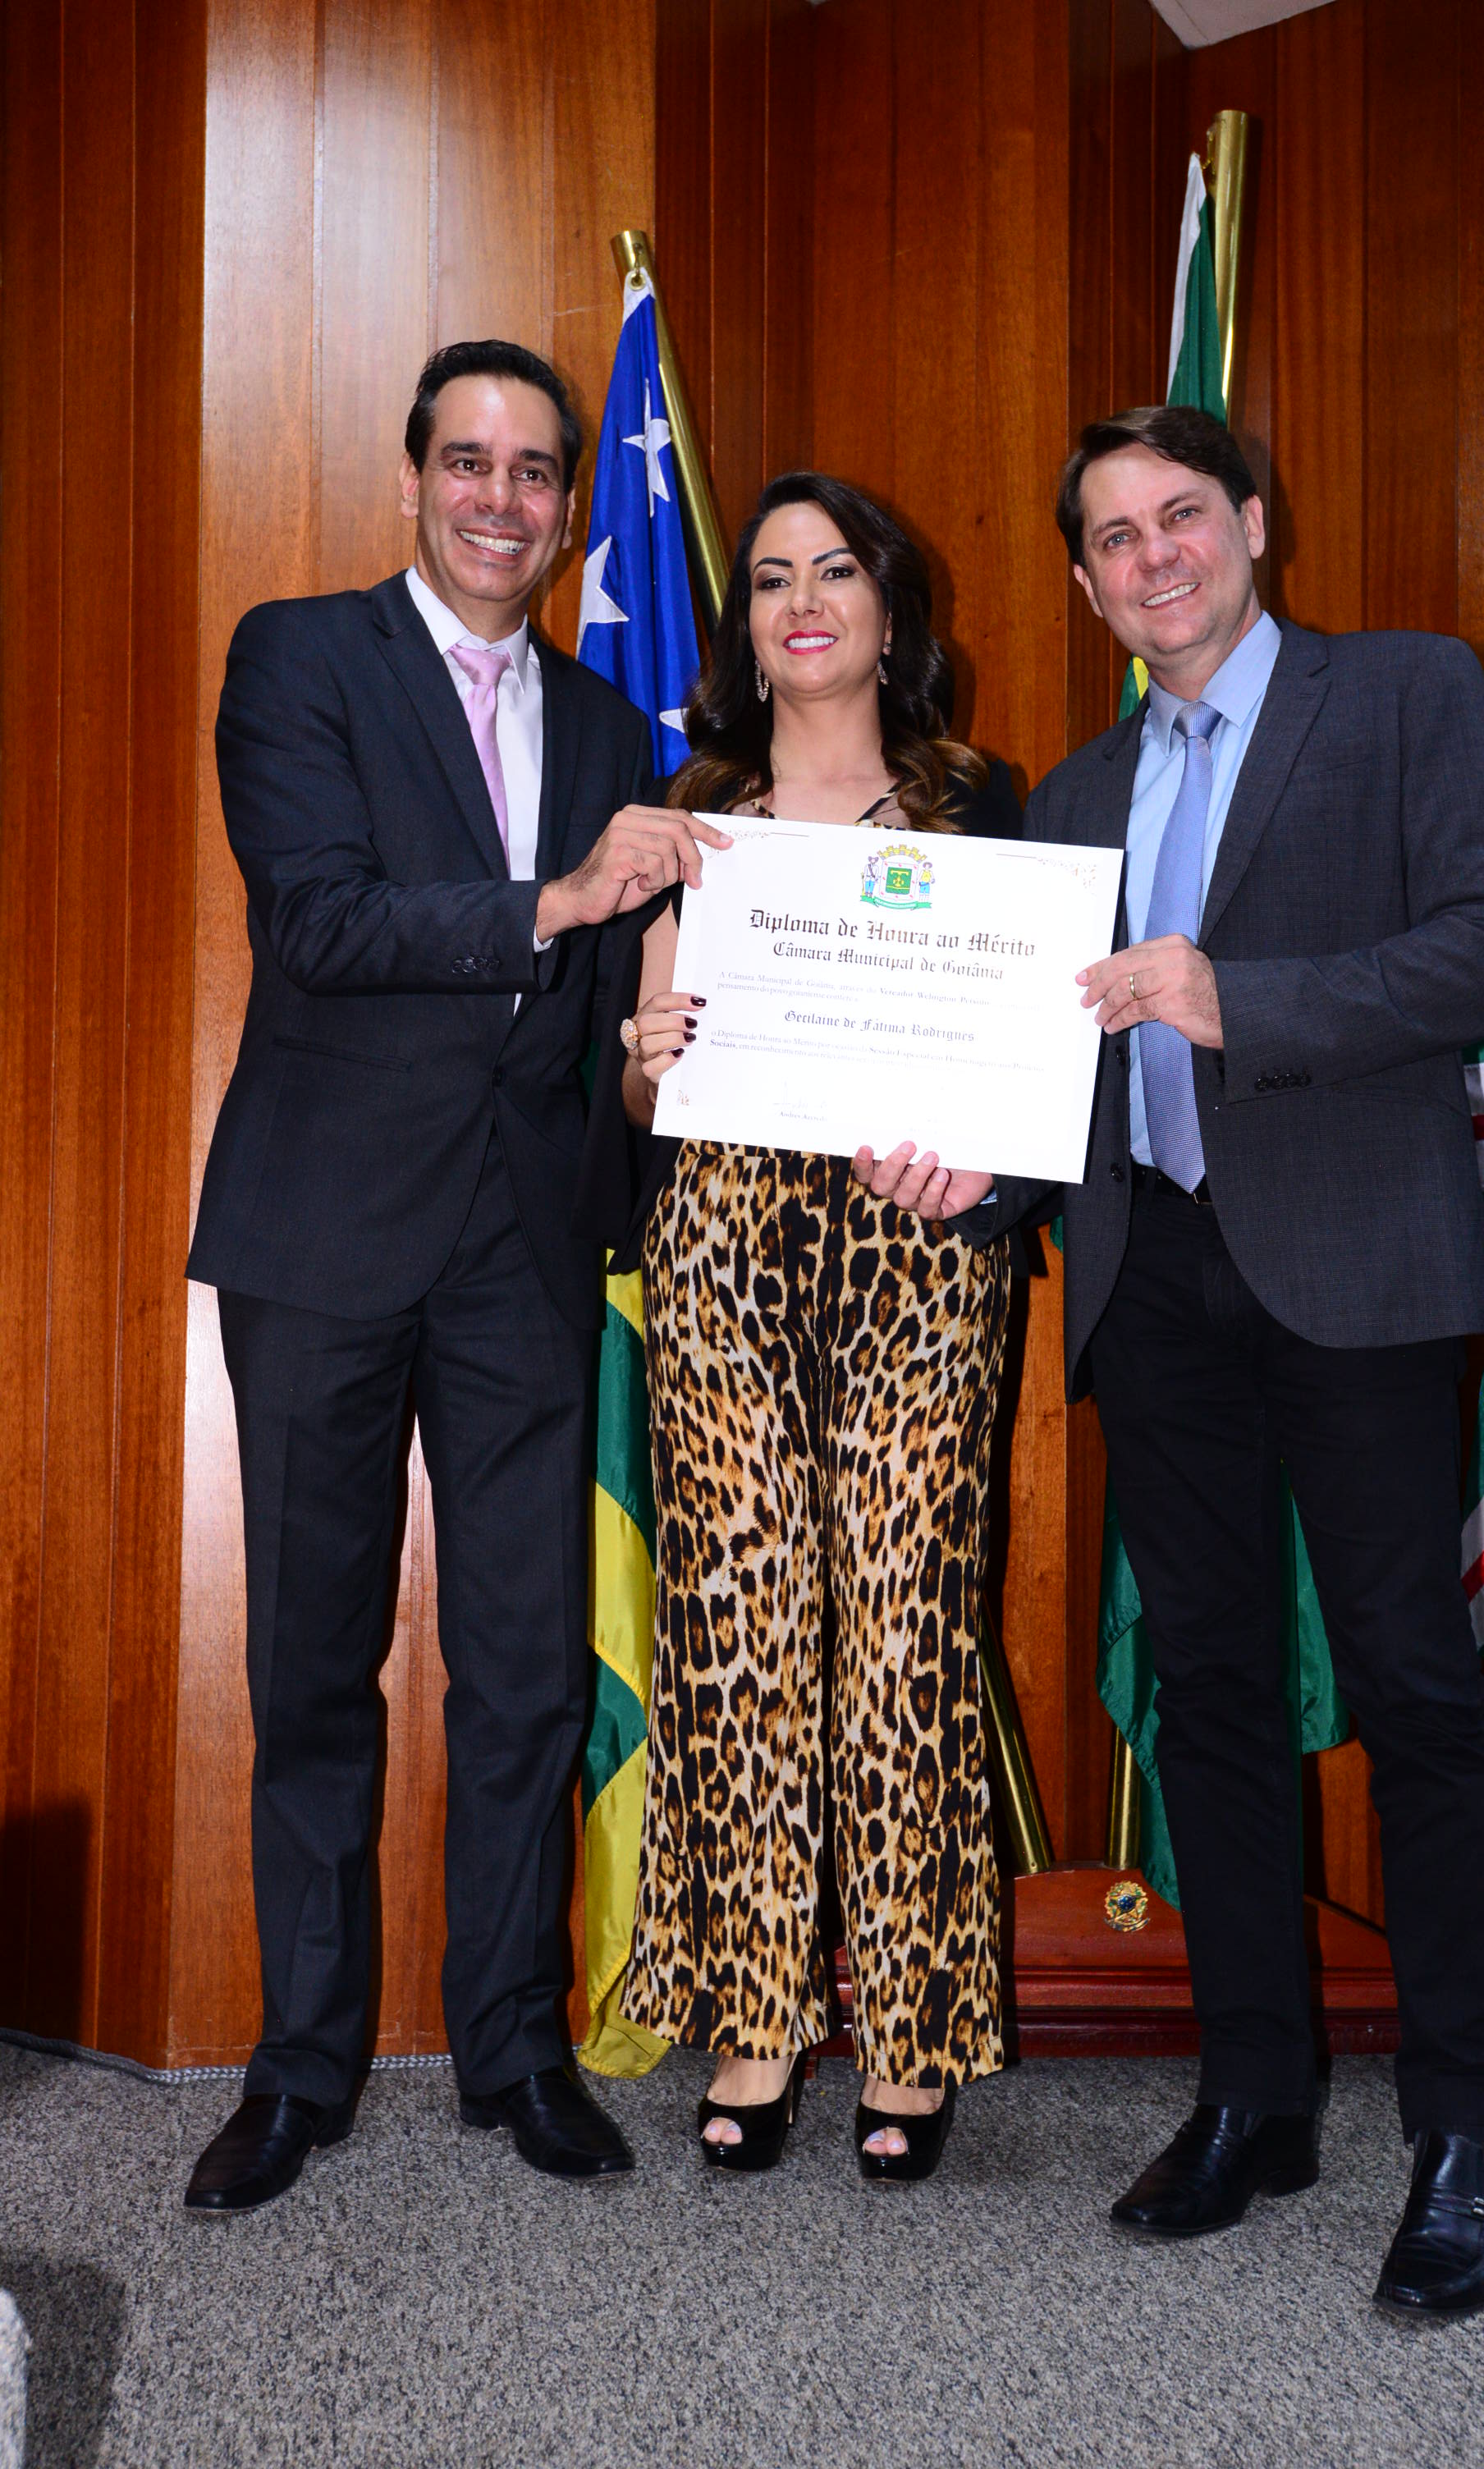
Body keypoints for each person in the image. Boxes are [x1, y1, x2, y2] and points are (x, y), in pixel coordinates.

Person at [972, 405, 1484, 2315]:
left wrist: (1247, 1000)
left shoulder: (1400, 695)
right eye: (1111, 536)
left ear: (1248, 521)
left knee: (1407, 1684)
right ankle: (1253, 2091)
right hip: (1149, 1277)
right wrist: (967, 1164)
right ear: (1084, 584)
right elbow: (1046, 1064)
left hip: (1357, 1265)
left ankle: (1471, 2126)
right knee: (1209, 1689)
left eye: (1178, 516)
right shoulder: (1068, 795)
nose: (1150, 555)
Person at [184, 338, 727, 2213]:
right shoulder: (297, 656)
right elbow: (319, 918)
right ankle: (301, 2064)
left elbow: (614, 1005)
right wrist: (560, 902)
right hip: (323, 1227)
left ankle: (514, 2045)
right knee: (311, 1662)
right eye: (470, 462)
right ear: (414, 477)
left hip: (526, 1240)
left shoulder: (613, 728)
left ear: (571, 508)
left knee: (524, 1669)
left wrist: (661, 1049)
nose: (503, 498)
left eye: (536, 471)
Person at [579, 473, 1019, 2180]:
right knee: (743, 1626)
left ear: (891, 611)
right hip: (722, 1251)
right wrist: (647, 1055)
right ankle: (755, 2016)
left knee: (904, 1624)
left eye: (836, 571)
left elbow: (1027, 1070)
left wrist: (977, 1167)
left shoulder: (976, 808)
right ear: (744, 628)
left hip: (921, 1256)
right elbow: (643, 1087)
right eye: (770, 578)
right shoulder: (691, 818)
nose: (804, 600)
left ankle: (911, 2030)